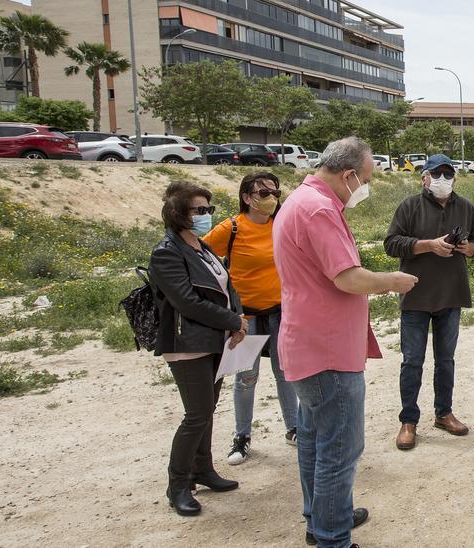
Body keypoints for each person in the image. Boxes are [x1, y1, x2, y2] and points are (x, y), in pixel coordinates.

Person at [273, 137, 418, 548]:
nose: (365, 188)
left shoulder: (300, 201)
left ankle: (321, 516)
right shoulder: (319, 209)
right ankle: (332, 537)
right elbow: (348, 278)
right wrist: (392, 281)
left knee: (315, 440)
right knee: (340, 450)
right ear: (348, 175)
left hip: (308, 343)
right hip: (328, 352)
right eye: (365, 180)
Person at [148, 181, 248, 516]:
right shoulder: (166, 252)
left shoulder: (201, 247)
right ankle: (178, 484)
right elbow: (187, 303)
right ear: (179, 213)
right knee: (196, 415)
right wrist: (232, 321)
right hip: (187, 343)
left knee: (208, 409)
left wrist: (238, 314)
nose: (206, 215)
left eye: (209, 209)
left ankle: (202, 469)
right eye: (199, 210)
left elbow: (226, 283)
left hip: (213, 340)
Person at [383, 154, 474, 450]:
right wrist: (428, 245)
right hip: (415, 295)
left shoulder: (464, 206)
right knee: (412, 361)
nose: (443, 180)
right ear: (423, 178)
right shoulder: (409, 206)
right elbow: (391, 244)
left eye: (448, 174)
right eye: (436, 174)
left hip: (451, 295)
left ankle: (444, 413)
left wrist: (468, 248)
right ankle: (408, 420)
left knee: (446, 360)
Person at [203, 172, 296, 465]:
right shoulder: (230, 228)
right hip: (246, 318)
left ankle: (294, 428)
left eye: (274, 192)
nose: (270, 198)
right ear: (246, 197)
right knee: (246, 378)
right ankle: (242, 437)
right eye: (263, 192)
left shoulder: (281, 224)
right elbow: (200, 258)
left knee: (287, 374)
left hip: (280, 312)